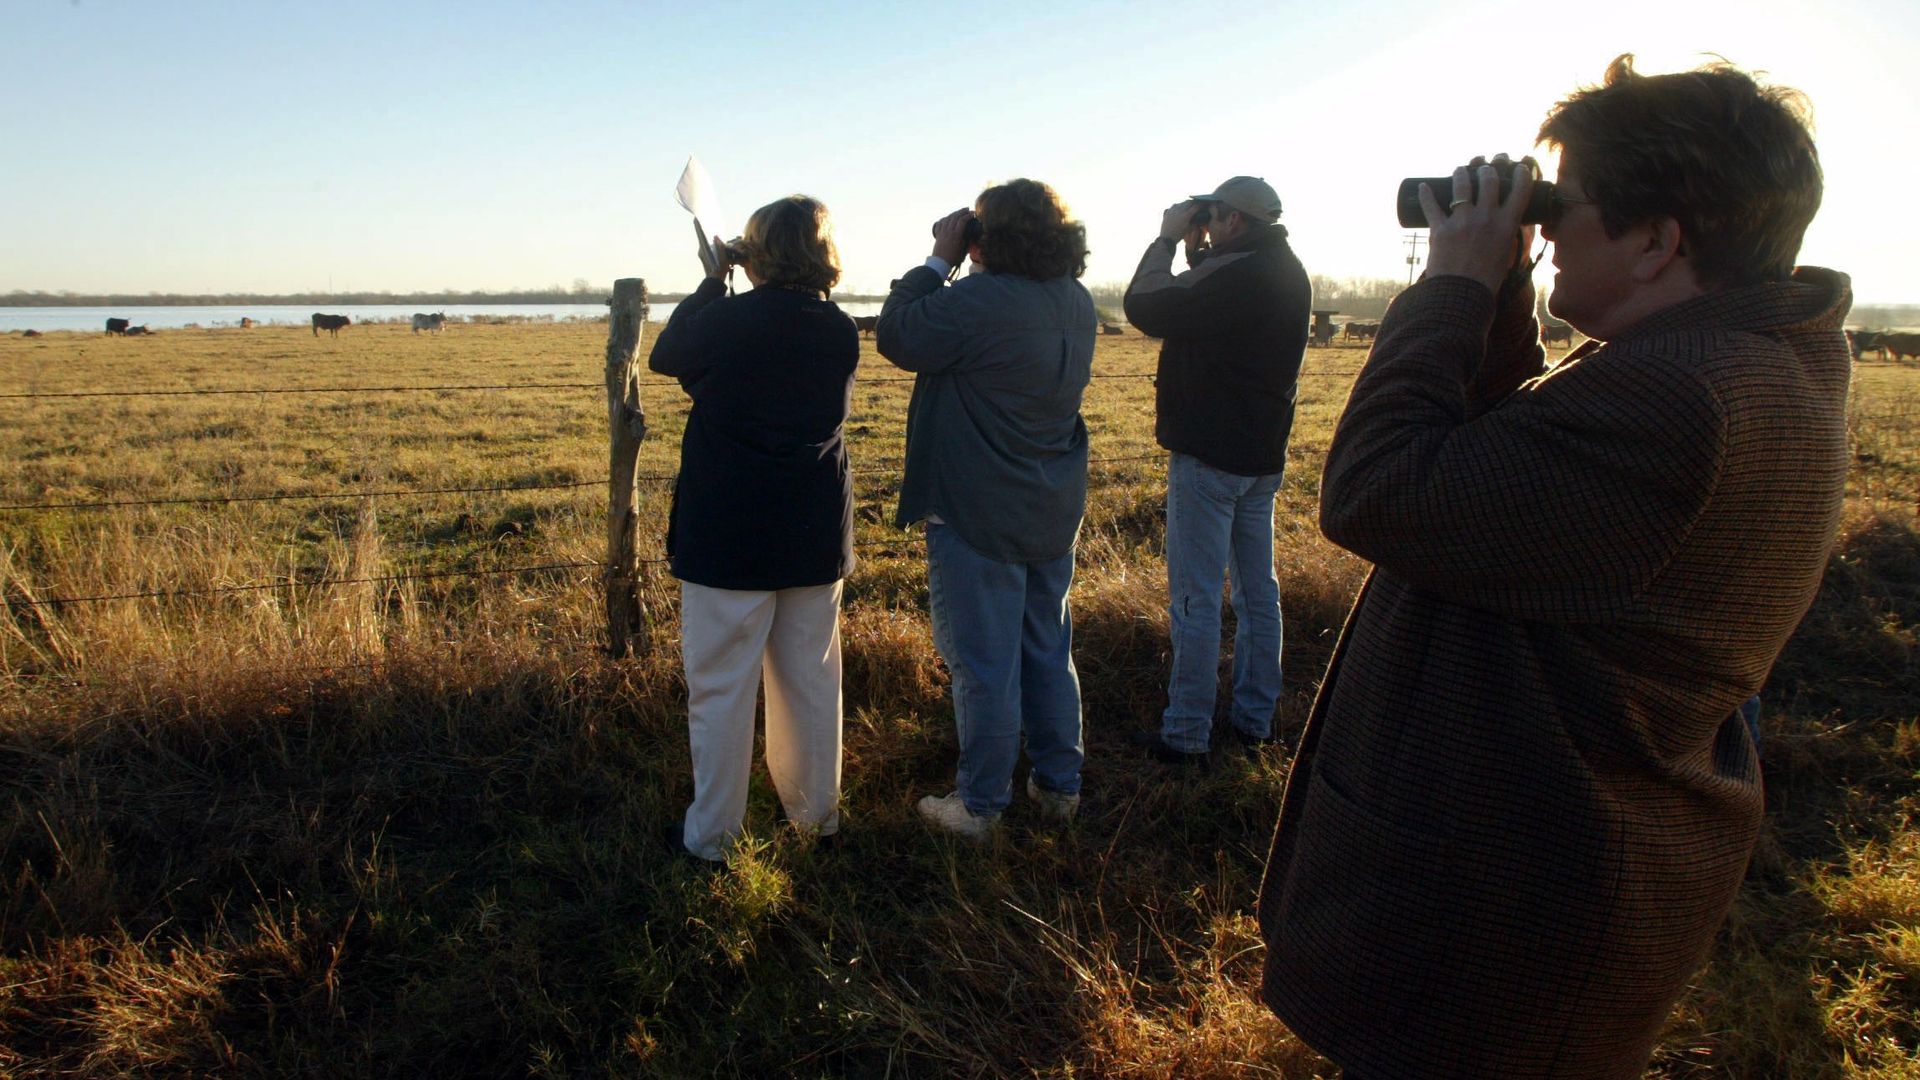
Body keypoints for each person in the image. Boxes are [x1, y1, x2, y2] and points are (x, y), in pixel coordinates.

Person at [1256, 56, 1850, 1078]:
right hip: (1560, 870)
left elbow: (1378, 490)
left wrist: (1451, 283)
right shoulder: (1752, 356)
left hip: (1503, 910)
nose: (1546, 225)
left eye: (1565, 209)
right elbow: (1521, 481)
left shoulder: (1684, 400)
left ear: (1660, 241)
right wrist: (1506, 297)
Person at [876, 178, 1097, 839]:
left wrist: (937, 260)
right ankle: (1060, 787)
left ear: (986, 238)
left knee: (983, 664)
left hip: (977, 508)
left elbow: (898, 335)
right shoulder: (1076, 301)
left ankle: (979, 806)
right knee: (1048, 651)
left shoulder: (975, 299)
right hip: (1051, 505)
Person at [648, 195, 859, 863]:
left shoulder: (731, 321)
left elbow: (668, 355)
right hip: (812, 531)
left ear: (755, 252)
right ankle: (816, 818)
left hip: (728, 534)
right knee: (812, 684)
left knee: (721, 689)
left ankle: (713, 838)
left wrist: (716, 276)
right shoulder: (840, 329)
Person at [1122, 176, 1311, 765]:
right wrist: (1201, 246)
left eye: (1216, 215)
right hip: (1260, 456)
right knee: (1258, 595)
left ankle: (1185, 734)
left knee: (1195, 600)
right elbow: (1210, 306)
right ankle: (1255, 720)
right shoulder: (1282, 268)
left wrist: (1166, 241)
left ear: (1235, 221)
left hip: (1210, 457)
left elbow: (1149, 306)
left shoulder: (1240, 274)